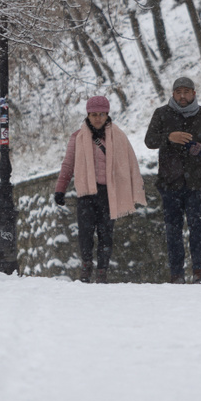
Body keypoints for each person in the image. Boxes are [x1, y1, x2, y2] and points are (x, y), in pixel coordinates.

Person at [54, 96, 146, 283]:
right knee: (85, 232)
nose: (97, 118)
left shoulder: (118, 137)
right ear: (88, 115)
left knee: (106, 233)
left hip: (108, 193)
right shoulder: (77, 137)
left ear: (107, 114)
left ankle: (102, 270)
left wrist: (133, 188)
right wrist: (60, 189)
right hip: (86, 194)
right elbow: (68, 164)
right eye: (94, 114)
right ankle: (87, 265)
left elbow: (130, 163)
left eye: (101, 114)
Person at [144, 77, 201, 283]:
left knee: (198, 229)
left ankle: (199, 272)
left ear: (194, 94)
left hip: (197, 183)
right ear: (172, 94)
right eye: (178, 92)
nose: (182, 96)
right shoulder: (161, 114)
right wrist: (169, 138)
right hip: (169, 183)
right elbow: (150, 141)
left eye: (186, 92)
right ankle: (177, 274)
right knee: (173, 230)